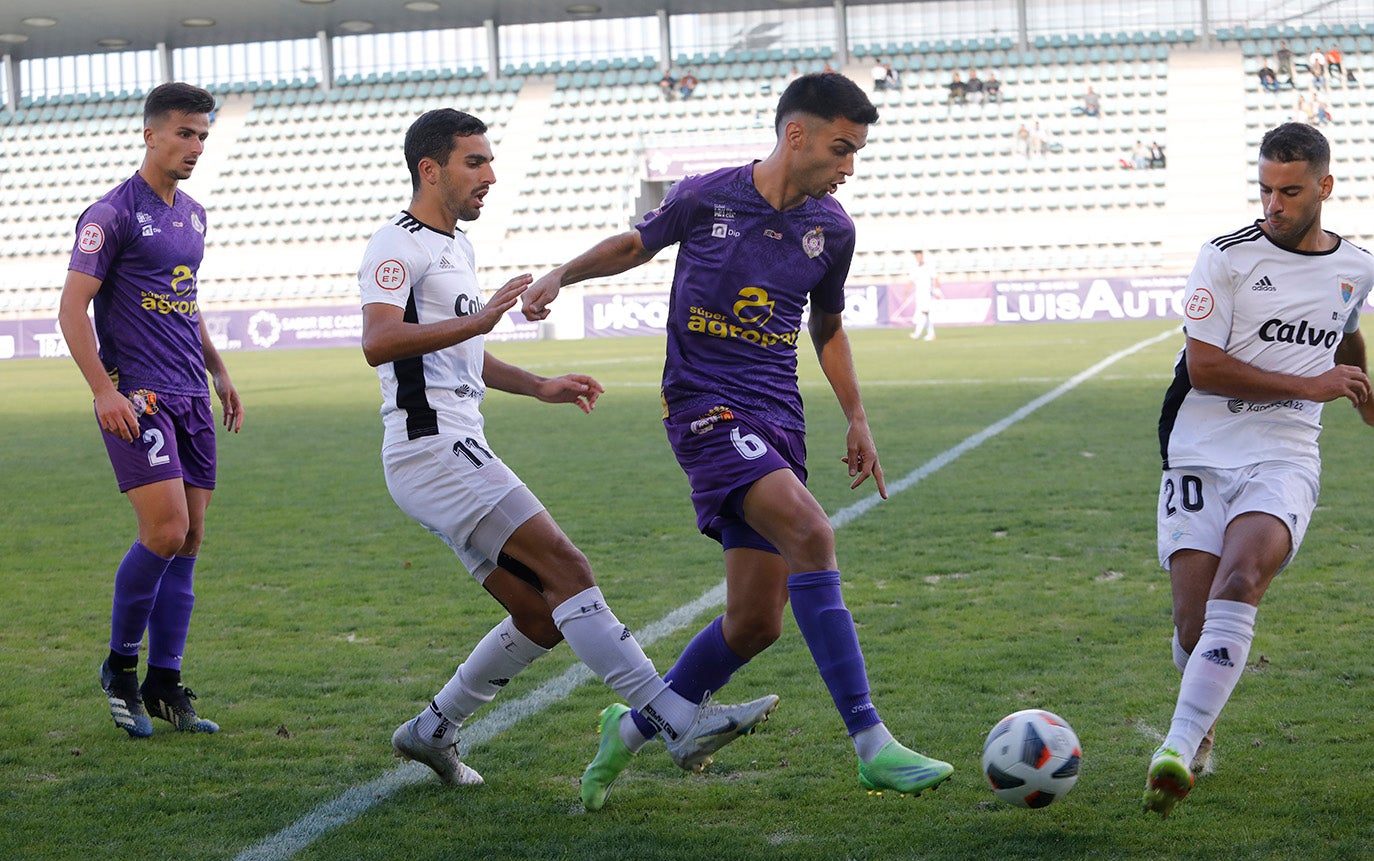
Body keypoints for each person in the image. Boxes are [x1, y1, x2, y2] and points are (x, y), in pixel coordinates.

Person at [521, 72, 954, 811]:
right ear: (798, 135)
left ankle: (624, 733)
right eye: (842, 149)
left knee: (755, 622)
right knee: (813, 531)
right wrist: (562, 272)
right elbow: (635, 244)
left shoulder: (834, 230)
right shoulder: (708, 195)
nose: (849, 166)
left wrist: (856, 415)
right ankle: (871, 742)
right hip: (704, 407)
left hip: (779, 418)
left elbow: (827, 325)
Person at [360, 109, 779, 788]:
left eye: (491, 161)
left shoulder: (454, 247)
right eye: (475, 162)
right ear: (429, 169)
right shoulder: (395, 245)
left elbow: (462, 352)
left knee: (538, 611)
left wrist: (538, 384)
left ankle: (431, 730)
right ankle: (674, 716)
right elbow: (377, 342)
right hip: (430, 448)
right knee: (567, 566)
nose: (490, 175)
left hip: (450, 444)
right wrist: (480, 317)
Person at [1143, 122, 1374, 819]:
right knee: (1192, 626)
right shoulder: (1225, 256)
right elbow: (1205, 367)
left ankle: (1175, 750)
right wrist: (1315, 384)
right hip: (1199, 448)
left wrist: (1362, 390)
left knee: (1241, 580)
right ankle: (1201, 719)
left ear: (1324, 188)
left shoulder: (1357, 266)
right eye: (1267, 189)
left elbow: (1345, 325)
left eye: (1291, 191)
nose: (1274, 204)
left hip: (1285, 452)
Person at [57, 82, 242, 738]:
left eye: (202, 136)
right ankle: (119, 669)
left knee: (190, 539)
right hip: (140, 393)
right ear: (151, 134)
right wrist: (102, 390)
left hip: (192, 392)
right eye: (185, 134)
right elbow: (72, 308)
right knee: (164, 531)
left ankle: (166, 684)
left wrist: (219, 372)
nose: (195, 147)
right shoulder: (111, 214)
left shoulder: (193, 215)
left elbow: (185, 303)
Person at [908, 250, 943, 341]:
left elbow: (935, 278)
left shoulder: (928, 267)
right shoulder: (915, 268)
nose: (918, 257)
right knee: (924, 315)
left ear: (922, 256)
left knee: (924, 313)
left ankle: (917, 333)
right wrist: (906, 293)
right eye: (917, 256)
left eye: (919, 255)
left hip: (927, 294)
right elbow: (910, 281)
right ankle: (931, 334)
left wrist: (937, 291)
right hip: (918, 295)